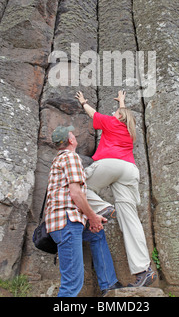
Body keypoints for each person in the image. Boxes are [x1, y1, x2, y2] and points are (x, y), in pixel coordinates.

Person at [75, 90, 157, 288]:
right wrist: (122, 102)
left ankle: (103, 208)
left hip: (111, 164)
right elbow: (124, 113)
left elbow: (93, 114)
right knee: (130, 220)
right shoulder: (128, 131)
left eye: (117, 111)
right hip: (130, 170)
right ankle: (144, 270)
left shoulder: (111, 122)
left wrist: (84, 102)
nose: (114, 112)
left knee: (79, 186)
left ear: (120, 116)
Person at [45, 124, 123, 297]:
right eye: (73, 134)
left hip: (61, 222)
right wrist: (93, 217)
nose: (75, 136)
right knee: (72, 283)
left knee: (96, 234)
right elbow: (76, 194)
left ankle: (109, 284)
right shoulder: (71, 158)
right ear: (71, 140)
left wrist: (92, 219)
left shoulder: (57, 160)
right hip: (67, 222)